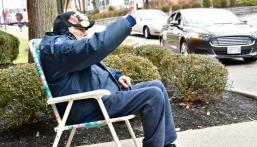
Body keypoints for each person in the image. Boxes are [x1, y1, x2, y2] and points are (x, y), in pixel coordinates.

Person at [40, 1, 177, 147]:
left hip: (98, 97)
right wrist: (128, 20)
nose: (86, 33)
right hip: (87, 105)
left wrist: (117, 75)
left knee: (157, 85)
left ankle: (166, 144)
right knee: (153, 95)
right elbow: (95, 48)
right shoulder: (58, 48)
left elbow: (90, 64)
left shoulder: (65, 47)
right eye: (81, 29)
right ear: (68, 30)